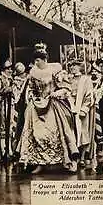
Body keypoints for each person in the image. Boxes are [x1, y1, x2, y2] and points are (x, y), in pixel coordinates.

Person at [18, 43, 78, 174]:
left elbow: (67, 87)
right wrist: (32, 97)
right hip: (38, 105)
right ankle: (39, 162)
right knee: (37, 134)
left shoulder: (55, 69)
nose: (36, 62)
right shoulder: (33, 72)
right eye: (35, 60)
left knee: (60, 131)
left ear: (44, 60)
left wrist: (57, 92)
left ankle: (69, 161)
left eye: (38, 60)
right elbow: (31, 89)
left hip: (53, 104)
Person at [69, 61, 94, 168]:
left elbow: (89, 95)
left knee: (83, 133)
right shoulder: (68, 79)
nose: (73, 67)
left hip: (81, 108)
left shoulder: (86, 79)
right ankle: (74, 156)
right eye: (71, 65)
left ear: (80, 67)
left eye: (75, 65)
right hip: (70, 108)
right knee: (72, 132)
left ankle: (83, 157)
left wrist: (84, 109)